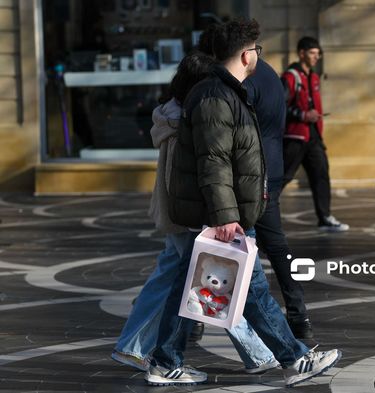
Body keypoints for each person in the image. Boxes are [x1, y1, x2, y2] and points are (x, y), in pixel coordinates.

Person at [162, 18, 341, 387]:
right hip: (225, 215)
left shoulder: (227, 91)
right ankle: (295, 359)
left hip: (232, 211)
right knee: (251, 288)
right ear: (247, 55)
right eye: (257, 49)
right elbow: (214, 162)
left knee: (199, 288)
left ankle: (165, 361)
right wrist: (226, 217)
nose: (259, 54)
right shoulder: (215, 96)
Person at [111, 50, 279, 379]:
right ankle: (256, 353)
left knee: (175, 281)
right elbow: (192, 177)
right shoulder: (188, 119)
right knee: (216, 283)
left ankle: (132, 346)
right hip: (188, 216)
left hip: (175, 214)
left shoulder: (171, 114)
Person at [244, 58, 314, 339]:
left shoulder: (246, 78)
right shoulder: (271, 74)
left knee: (222, 249)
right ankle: (299, 316)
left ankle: (193, 322)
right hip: (268, 170)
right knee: (277, 247)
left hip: (253, 175)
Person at [281, 36, 349, 232]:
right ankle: (259, 216)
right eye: (312, 53)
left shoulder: (314, 77)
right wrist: (303, 114)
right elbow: (281, 107)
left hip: (314, 136)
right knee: (282, 177)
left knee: (321, 175)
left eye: (318, 54)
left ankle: (325, 217)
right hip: (295, 137)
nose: (316, 57)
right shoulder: (290, 77)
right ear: (301, 53)